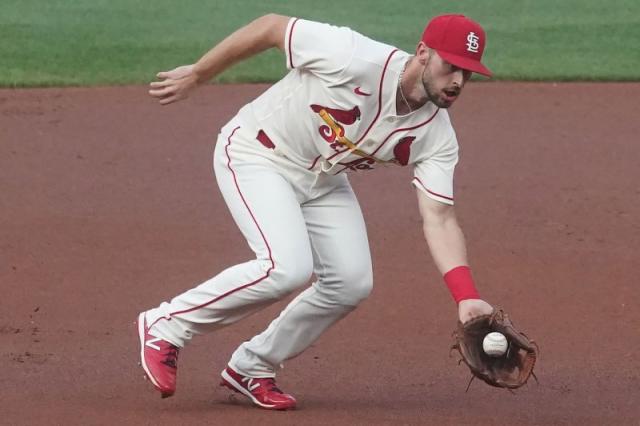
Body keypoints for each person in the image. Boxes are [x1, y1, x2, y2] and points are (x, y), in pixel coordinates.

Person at [137, 13, 495, 410]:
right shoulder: (352, 56)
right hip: (258, 153)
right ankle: (167, 324)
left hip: (322, 180)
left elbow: (440, 217)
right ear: (424, 53)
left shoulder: (437, 135)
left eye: (468, 73)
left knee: (351, 282)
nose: (459, 82)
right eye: (452, 67)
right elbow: (272, 27)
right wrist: (201, 73)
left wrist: (466, 296)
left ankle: (251, 367)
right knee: (284, 267)